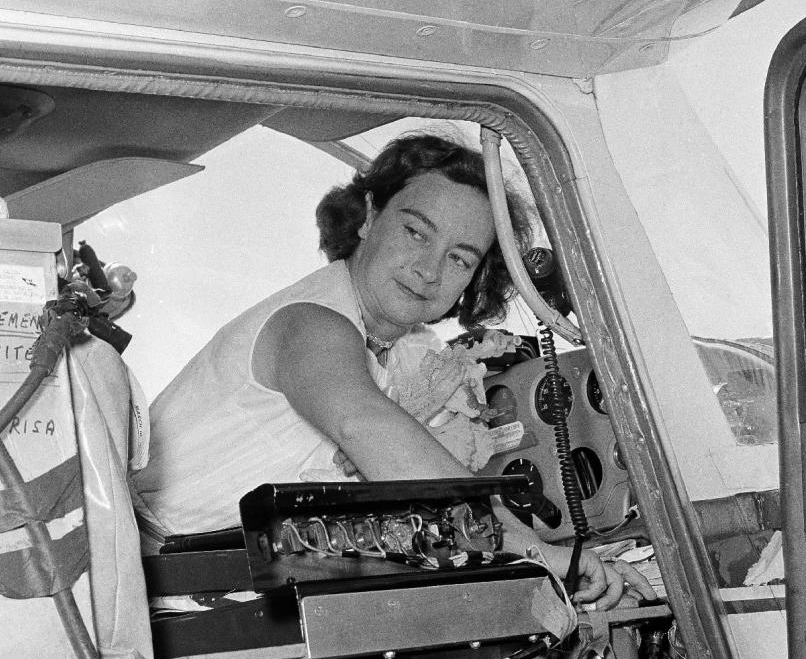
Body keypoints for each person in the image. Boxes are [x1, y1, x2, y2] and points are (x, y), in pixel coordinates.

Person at [132, 133, 650, 609]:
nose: (429, 269)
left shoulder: (399, 350)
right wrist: (541, 553)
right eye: (416, 233)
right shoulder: (313, 322)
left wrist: (560, 553)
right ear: (367, 217)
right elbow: (365, 425)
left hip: (238, 578)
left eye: (460, 259)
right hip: (153, 583)